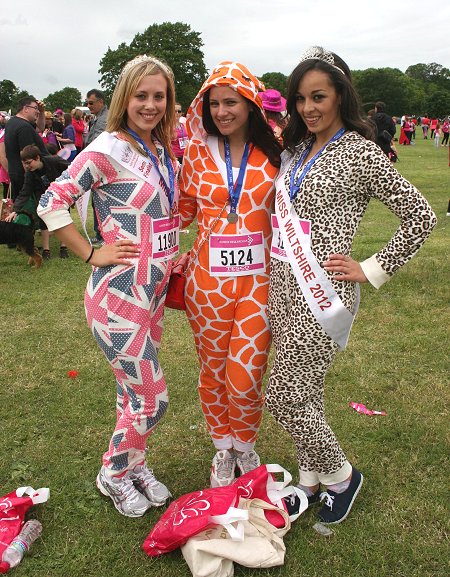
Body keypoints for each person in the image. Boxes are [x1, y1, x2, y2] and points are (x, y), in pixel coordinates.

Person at [265, 46, 436, 525]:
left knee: (284, 393)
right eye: (300, 99)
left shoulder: (360, 151)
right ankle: (311, 476)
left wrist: (372, 267)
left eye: (318, 96)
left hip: (324, 294)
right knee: (307, 389)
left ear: (341, 95)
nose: (308, 108)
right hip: (282, 284)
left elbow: (419, 216)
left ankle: (341, 476)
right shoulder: (296, 149)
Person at [38, 55, 179, 517]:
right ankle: (113, 472)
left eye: (159, 96)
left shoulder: (158, 148)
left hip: (151, 294)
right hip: (117, 298)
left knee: (131, 395)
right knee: (152, 398)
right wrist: (90, 251)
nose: (151, 104)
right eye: (141, 95)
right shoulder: (104, 148)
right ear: (125, 97)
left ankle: (135, 464)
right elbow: (51, 201)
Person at [179, 61, 282, 487]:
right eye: (215, 103)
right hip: (206, 283)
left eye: (231, 102)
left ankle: (246, 443)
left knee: (245, 374)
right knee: (213, 370)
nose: (222, 111)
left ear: (251, 103)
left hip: (260, 281)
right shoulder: (196, 152)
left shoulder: (276, 150)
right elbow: (181, 210)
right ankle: (225, 448)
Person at [5, 145, 70, 259]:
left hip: (61, 193)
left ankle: (63, 247)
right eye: (24, 163)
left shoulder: (54, 160)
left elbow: (71, 168)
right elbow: (24, 192)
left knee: (62, 218)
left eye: (29, 162)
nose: (26, 166)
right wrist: (15, 210)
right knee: (43, 219)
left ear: (38, 158)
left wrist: (66, 185)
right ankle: (46, 250)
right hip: (42, 196)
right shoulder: (30, 174)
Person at [4, 96, 48, 200]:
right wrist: (34, 180)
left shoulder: (13, 122)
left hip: (16, 174)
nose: (37, 111)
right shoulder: (24, 127)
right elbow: (28, 158)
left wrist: (42, 112)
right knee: (30, 211)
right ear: (26, 108)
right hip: (26, 177)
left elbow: (40, 128)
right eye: (35, 108)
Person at [85, 89, 109, 246]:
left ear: (101, 102)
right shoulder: (98, 118)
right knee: (97, 202)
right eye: (87, 103)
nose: (88, 106)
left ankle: (103, 235)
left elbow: (98, 143)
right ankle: (100, 233)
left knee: (101, 202)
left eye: (91, 103)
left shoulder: (104, 119)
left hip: (101, 167)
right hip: (96, 166)